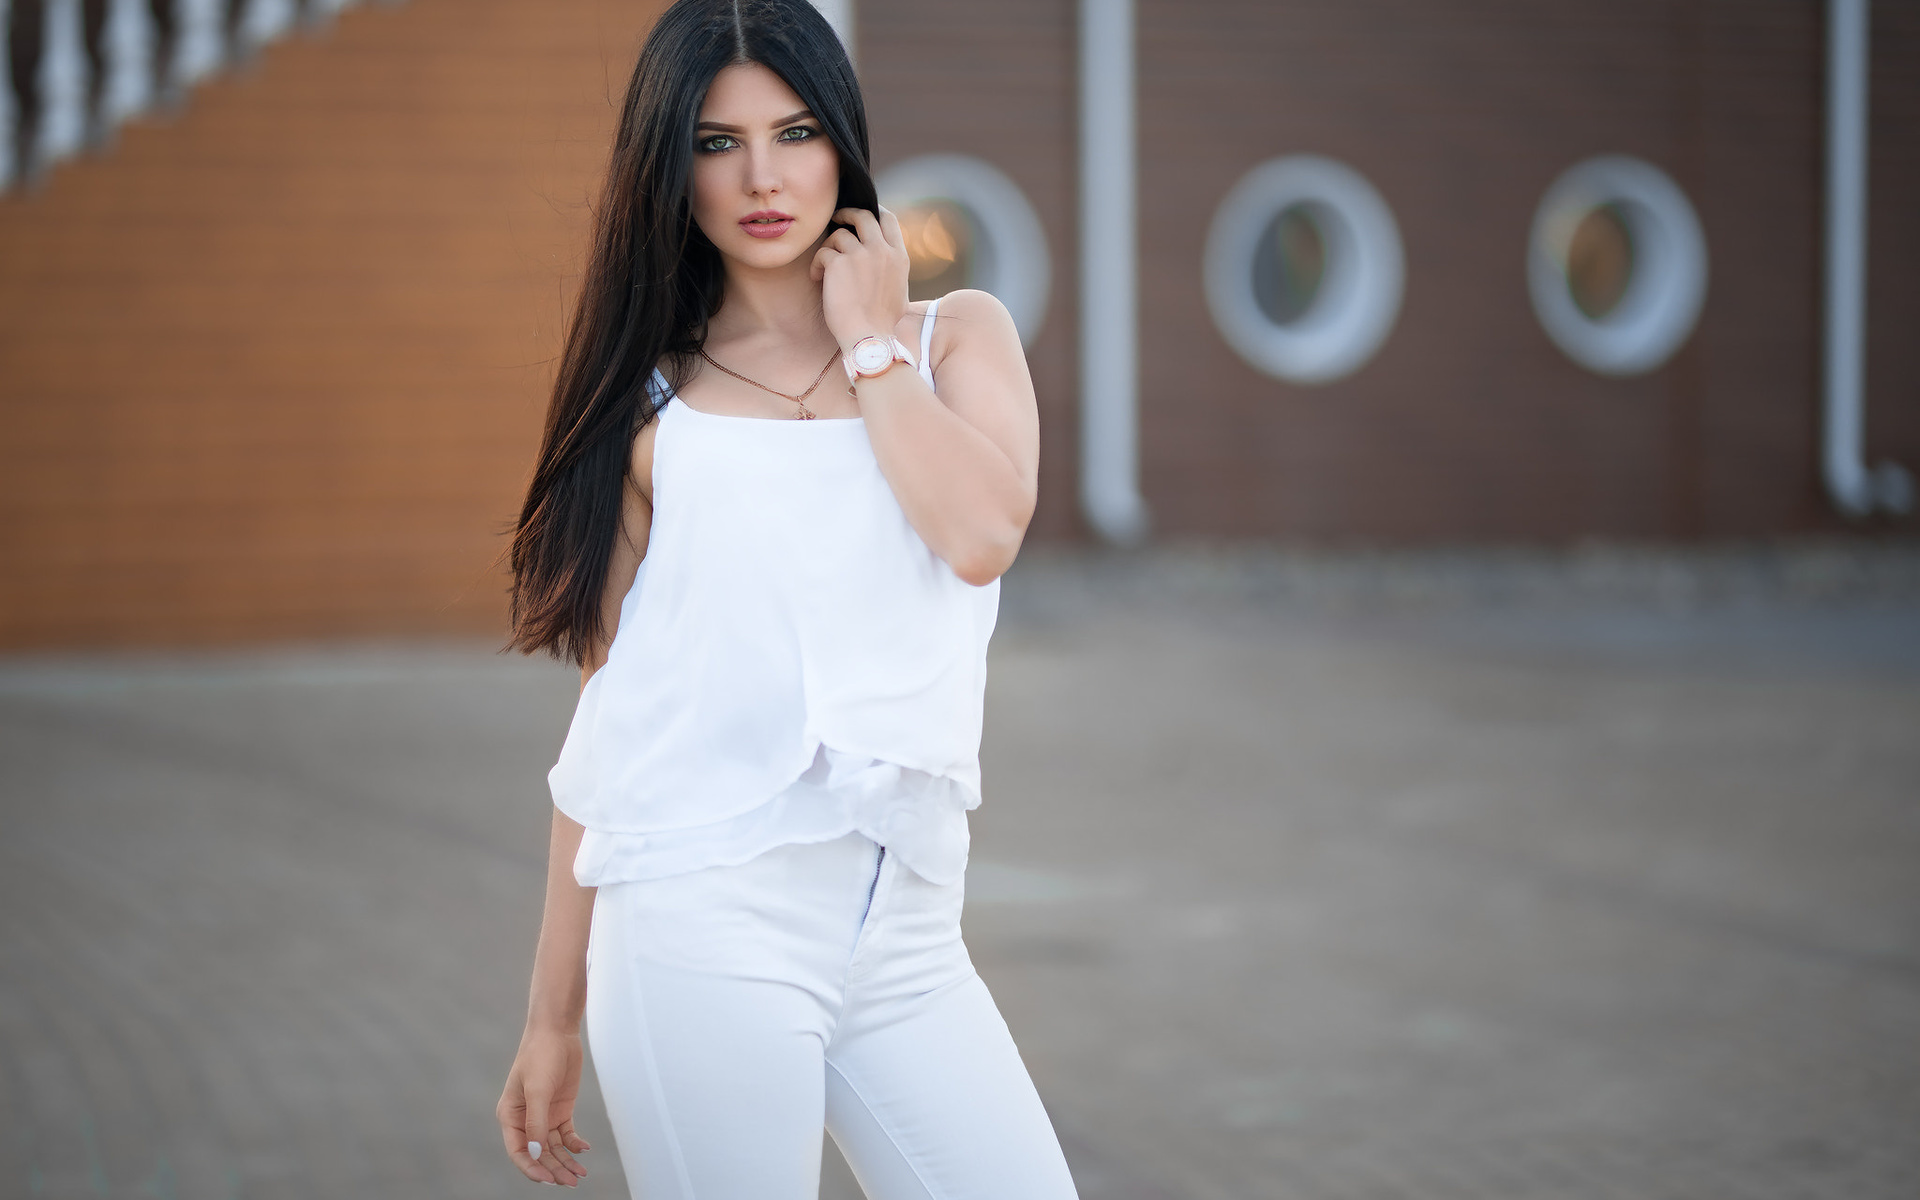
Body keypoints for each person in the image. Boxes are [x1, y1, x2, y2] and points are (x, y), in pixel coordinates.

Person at [494, 1, 1079, 1196]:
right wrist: (553, 1016)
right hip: (699, 920)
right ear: (673, 166)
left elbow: (980, 534)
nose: (763, 176)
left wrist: (869, 343)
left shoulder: (953, 339)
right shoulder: (653, 403)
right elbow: (616, 713)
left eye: (795, 130)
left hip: (907, 936)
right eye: (718, 143)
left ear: (842, 142)